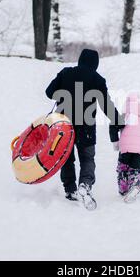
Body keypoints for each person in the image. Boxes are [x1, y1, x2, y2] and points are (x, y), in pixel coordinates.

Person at [45, 49, 123, 210]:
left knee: (66, 157)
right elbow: (106, 105)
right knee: (87, 158)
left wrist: (64, 93)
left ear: (80, 60)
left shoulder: (66, 73)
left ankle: (70, 189)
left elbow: (49, 92)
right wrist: (119, 121)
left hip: (63, 125)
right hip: (86, 126)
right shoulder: (97, 79)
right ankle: (85, 185)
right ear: (95, 64)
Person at [109, 93, 140, 203]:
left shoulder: (125, 116)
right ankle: (135, 183)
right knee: (135, 170)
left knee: (123, 169)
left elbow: (113, 126)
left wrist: (115, 142)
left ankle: (123, 189)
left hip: (126, 148)